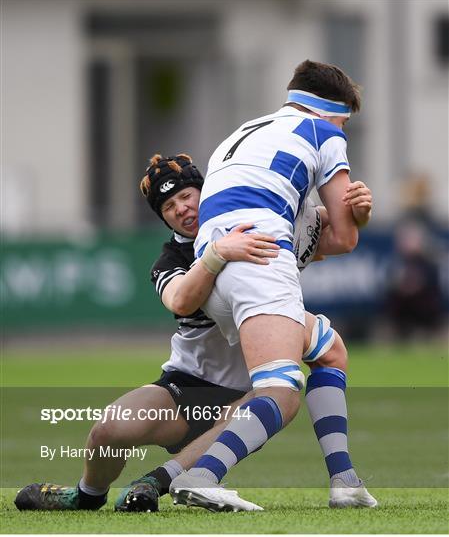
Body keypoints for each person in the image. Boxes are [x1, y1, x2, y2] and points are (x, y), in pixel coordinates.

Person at [14, 151, 376, 513]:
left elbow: (334, 235)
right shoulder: (171, 260)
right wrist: (216, 253)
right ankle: (86, 495)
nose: (182, 208)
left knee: (290, 383)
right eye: (169, 206)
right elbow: (181, 300)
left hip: (251, 390)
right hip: (187, 385)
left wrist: (357, 212)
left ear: (205, 190)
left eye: (187, 196)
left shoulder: (254, 219)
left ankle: (155, 482)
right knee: (109, 430)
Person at [169, 59, 368, 509]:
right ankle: (201, 474)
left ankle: (345, 481)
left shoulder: (242, 133)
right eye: (344, 121)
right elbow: (346, 236)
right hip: (260, 258)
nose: (344, 131)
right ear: (329, 111)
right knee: (280, 389)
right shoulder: (326, 133)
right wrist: (361, 210)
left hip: (214, 266)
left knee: (329, 348)